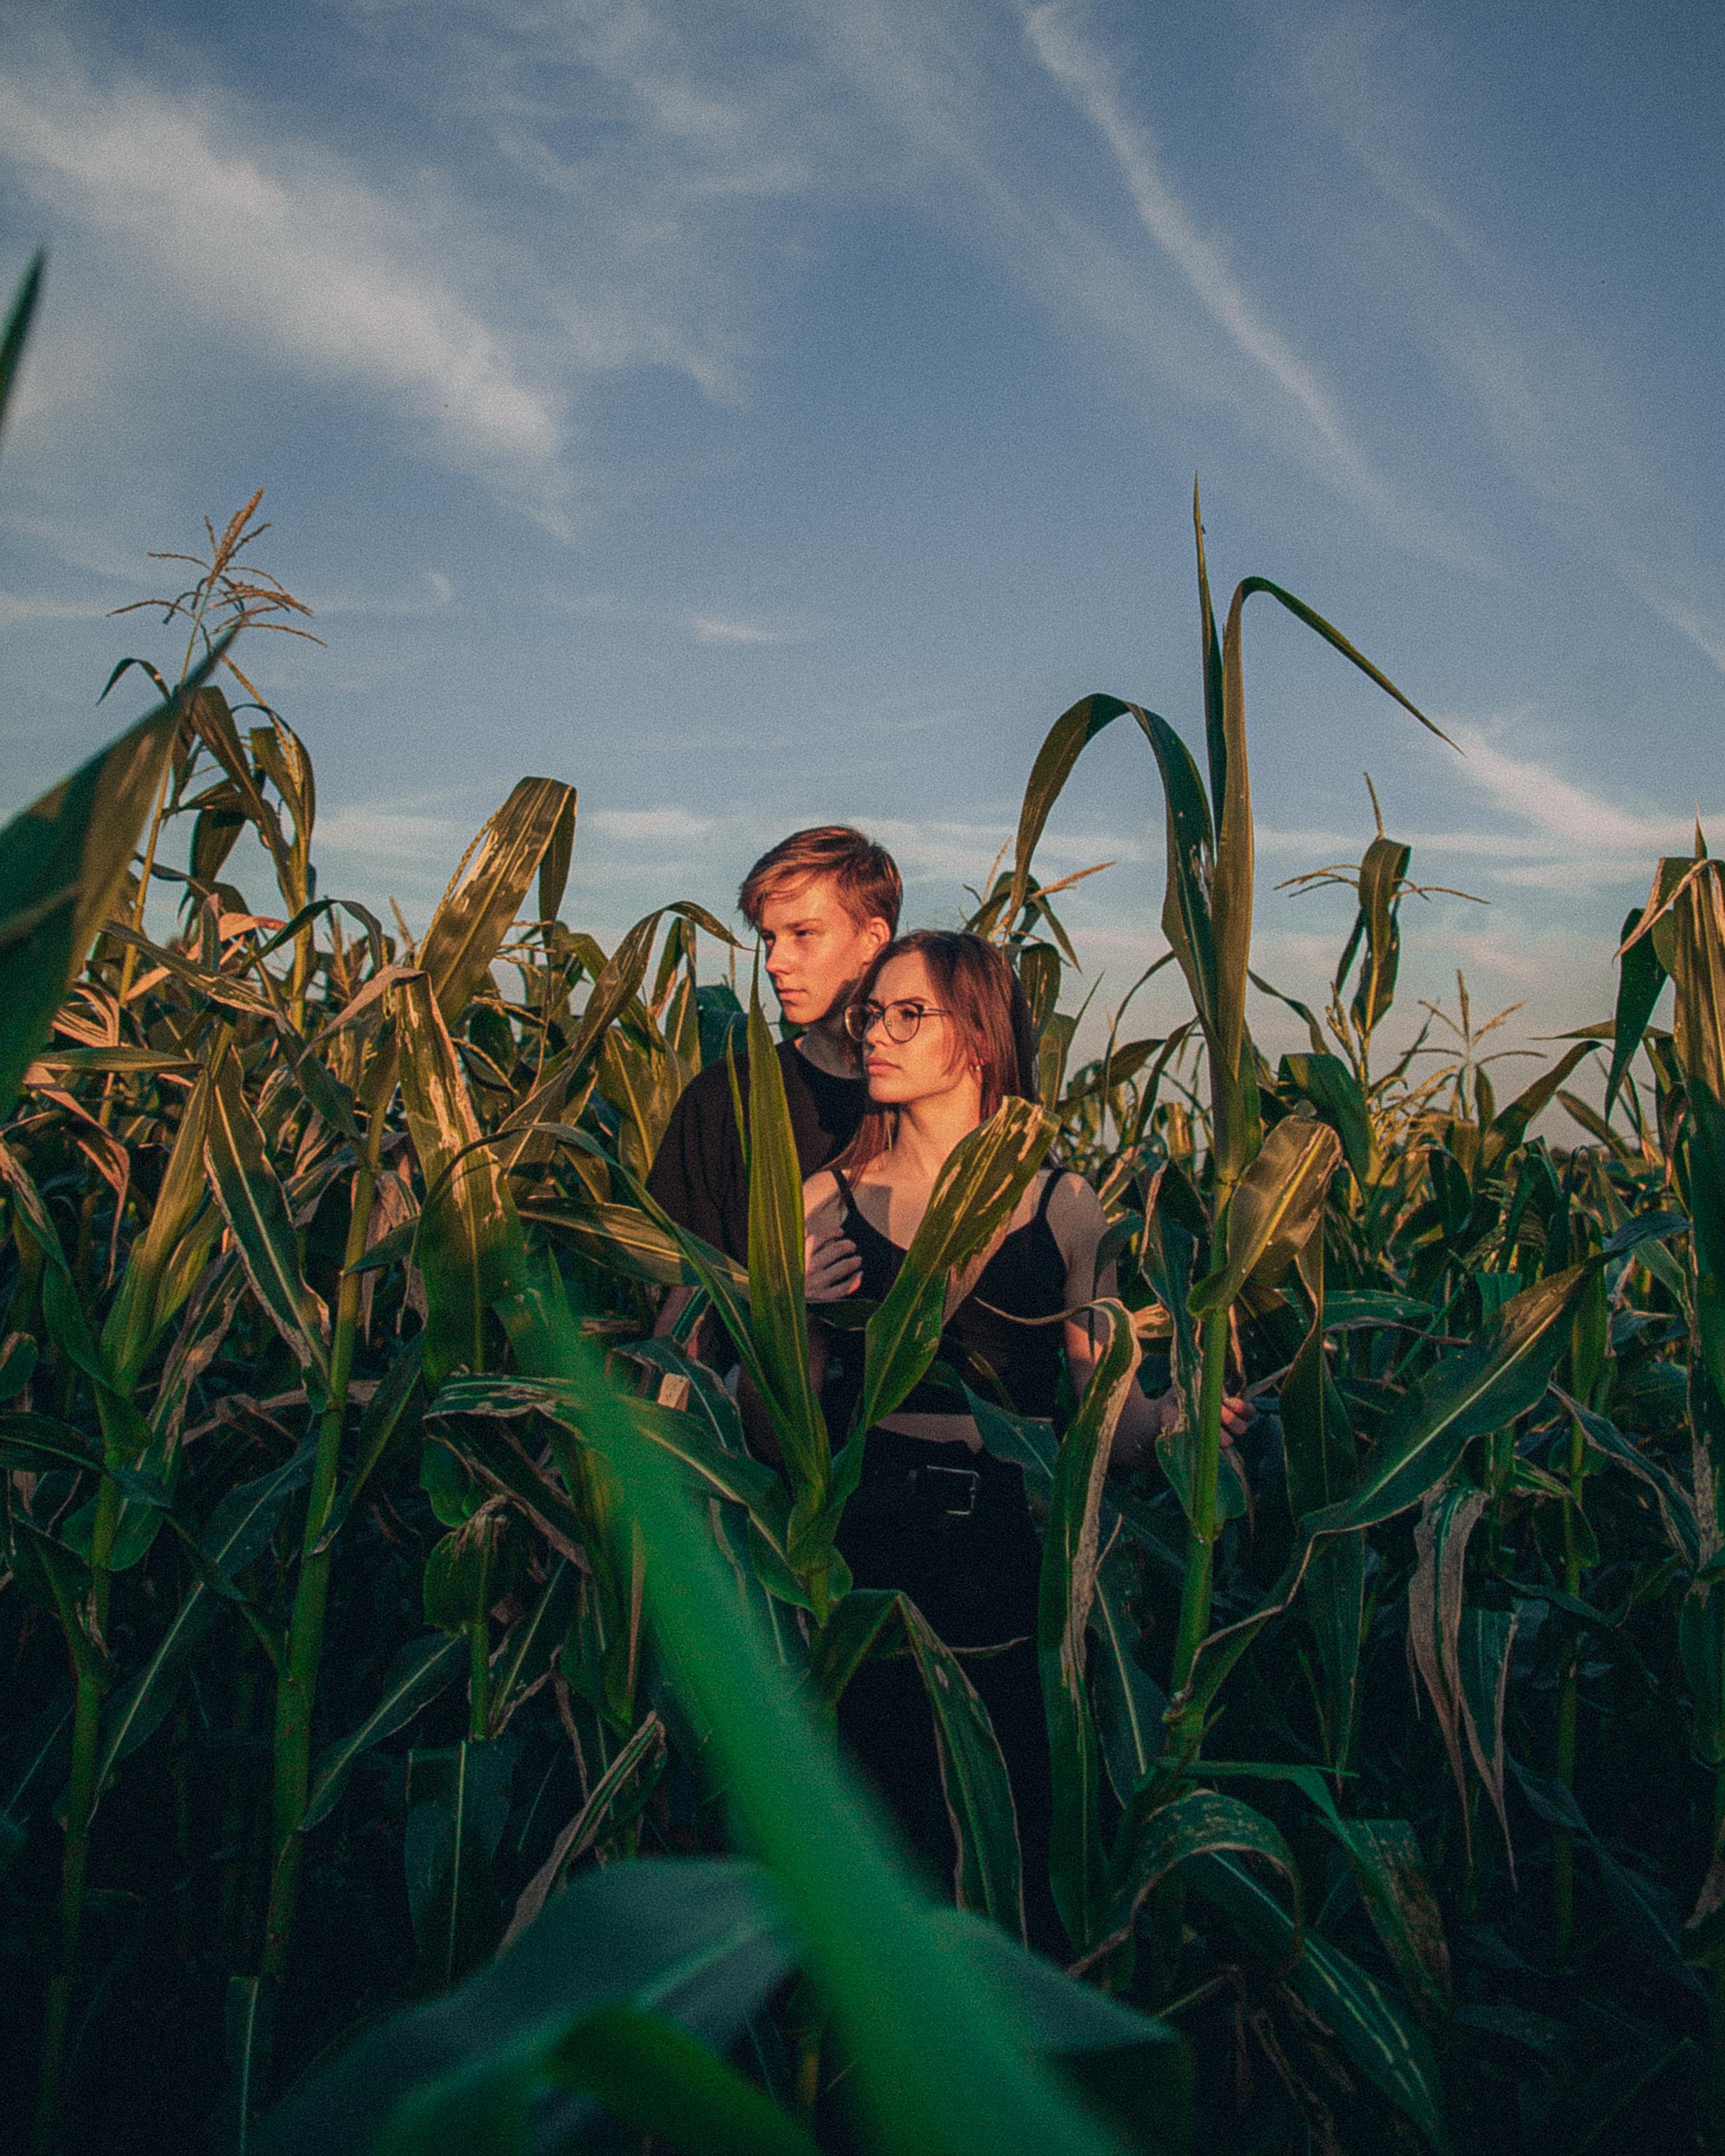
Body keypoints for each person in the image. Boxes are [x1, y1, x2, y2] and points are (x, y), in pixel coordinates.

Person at [803, 928, 1250, 1954]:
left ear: (976, 1037)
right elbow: (775, 1425)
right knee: (875, 1841)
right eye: (869, 1012)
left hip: (1018, 1557)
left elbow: (1113, 1426)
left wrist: (1183, 1425)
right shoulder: (825, 1202)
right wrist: (789, 1316)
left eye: (904, 1013)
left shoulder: (1064, 1207)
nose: (874, 1030)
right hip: (867, 1553)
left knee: (1008, 1842)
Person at [648, 827, 901, 1297]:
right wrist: (775, 1296)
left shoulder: (929, 1102)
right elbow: (682, 1298)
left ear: (873, 938)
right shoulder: (723, 1097)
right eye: (769, 938)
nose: (774, 962)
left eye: (803, 934)